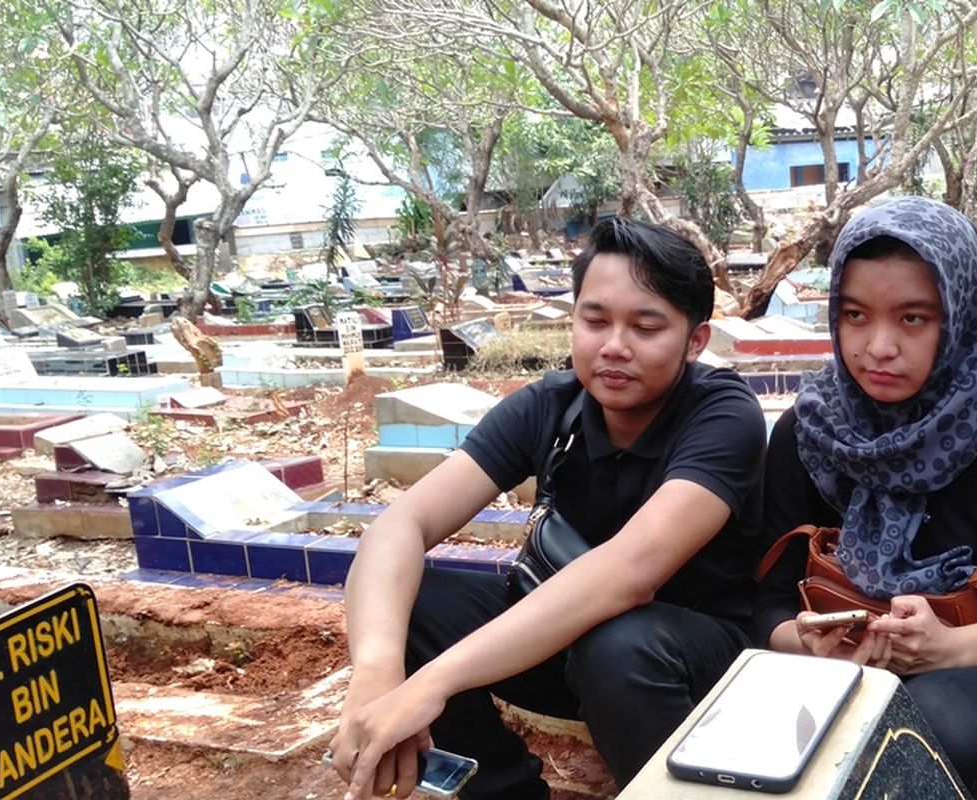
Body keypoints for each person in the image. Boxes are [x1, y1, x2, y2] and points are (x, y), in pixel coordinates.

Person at [328, 217, 768, 800]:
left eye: (645, 326)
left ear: (695, 341)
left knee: (622, 643)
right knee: (420, 602)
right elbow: (401, 524)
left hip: (691, 660)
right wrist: (378, 673)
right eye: (595, 320)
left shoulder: (724, 415)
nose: (614, 346)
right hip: (568, 646)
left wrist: (430, 683)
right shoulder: (552, 404)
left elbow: (626, 574)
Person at [755, 196, 977, 799]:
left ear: (960, 314)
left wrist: (948, 647)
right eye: (856, 315)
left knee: (931, 717)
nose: (878, 346)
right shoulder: (811, 430)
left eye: (913, 318)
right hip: (840, 675)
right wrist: (807, 643)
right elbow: (762, 597)